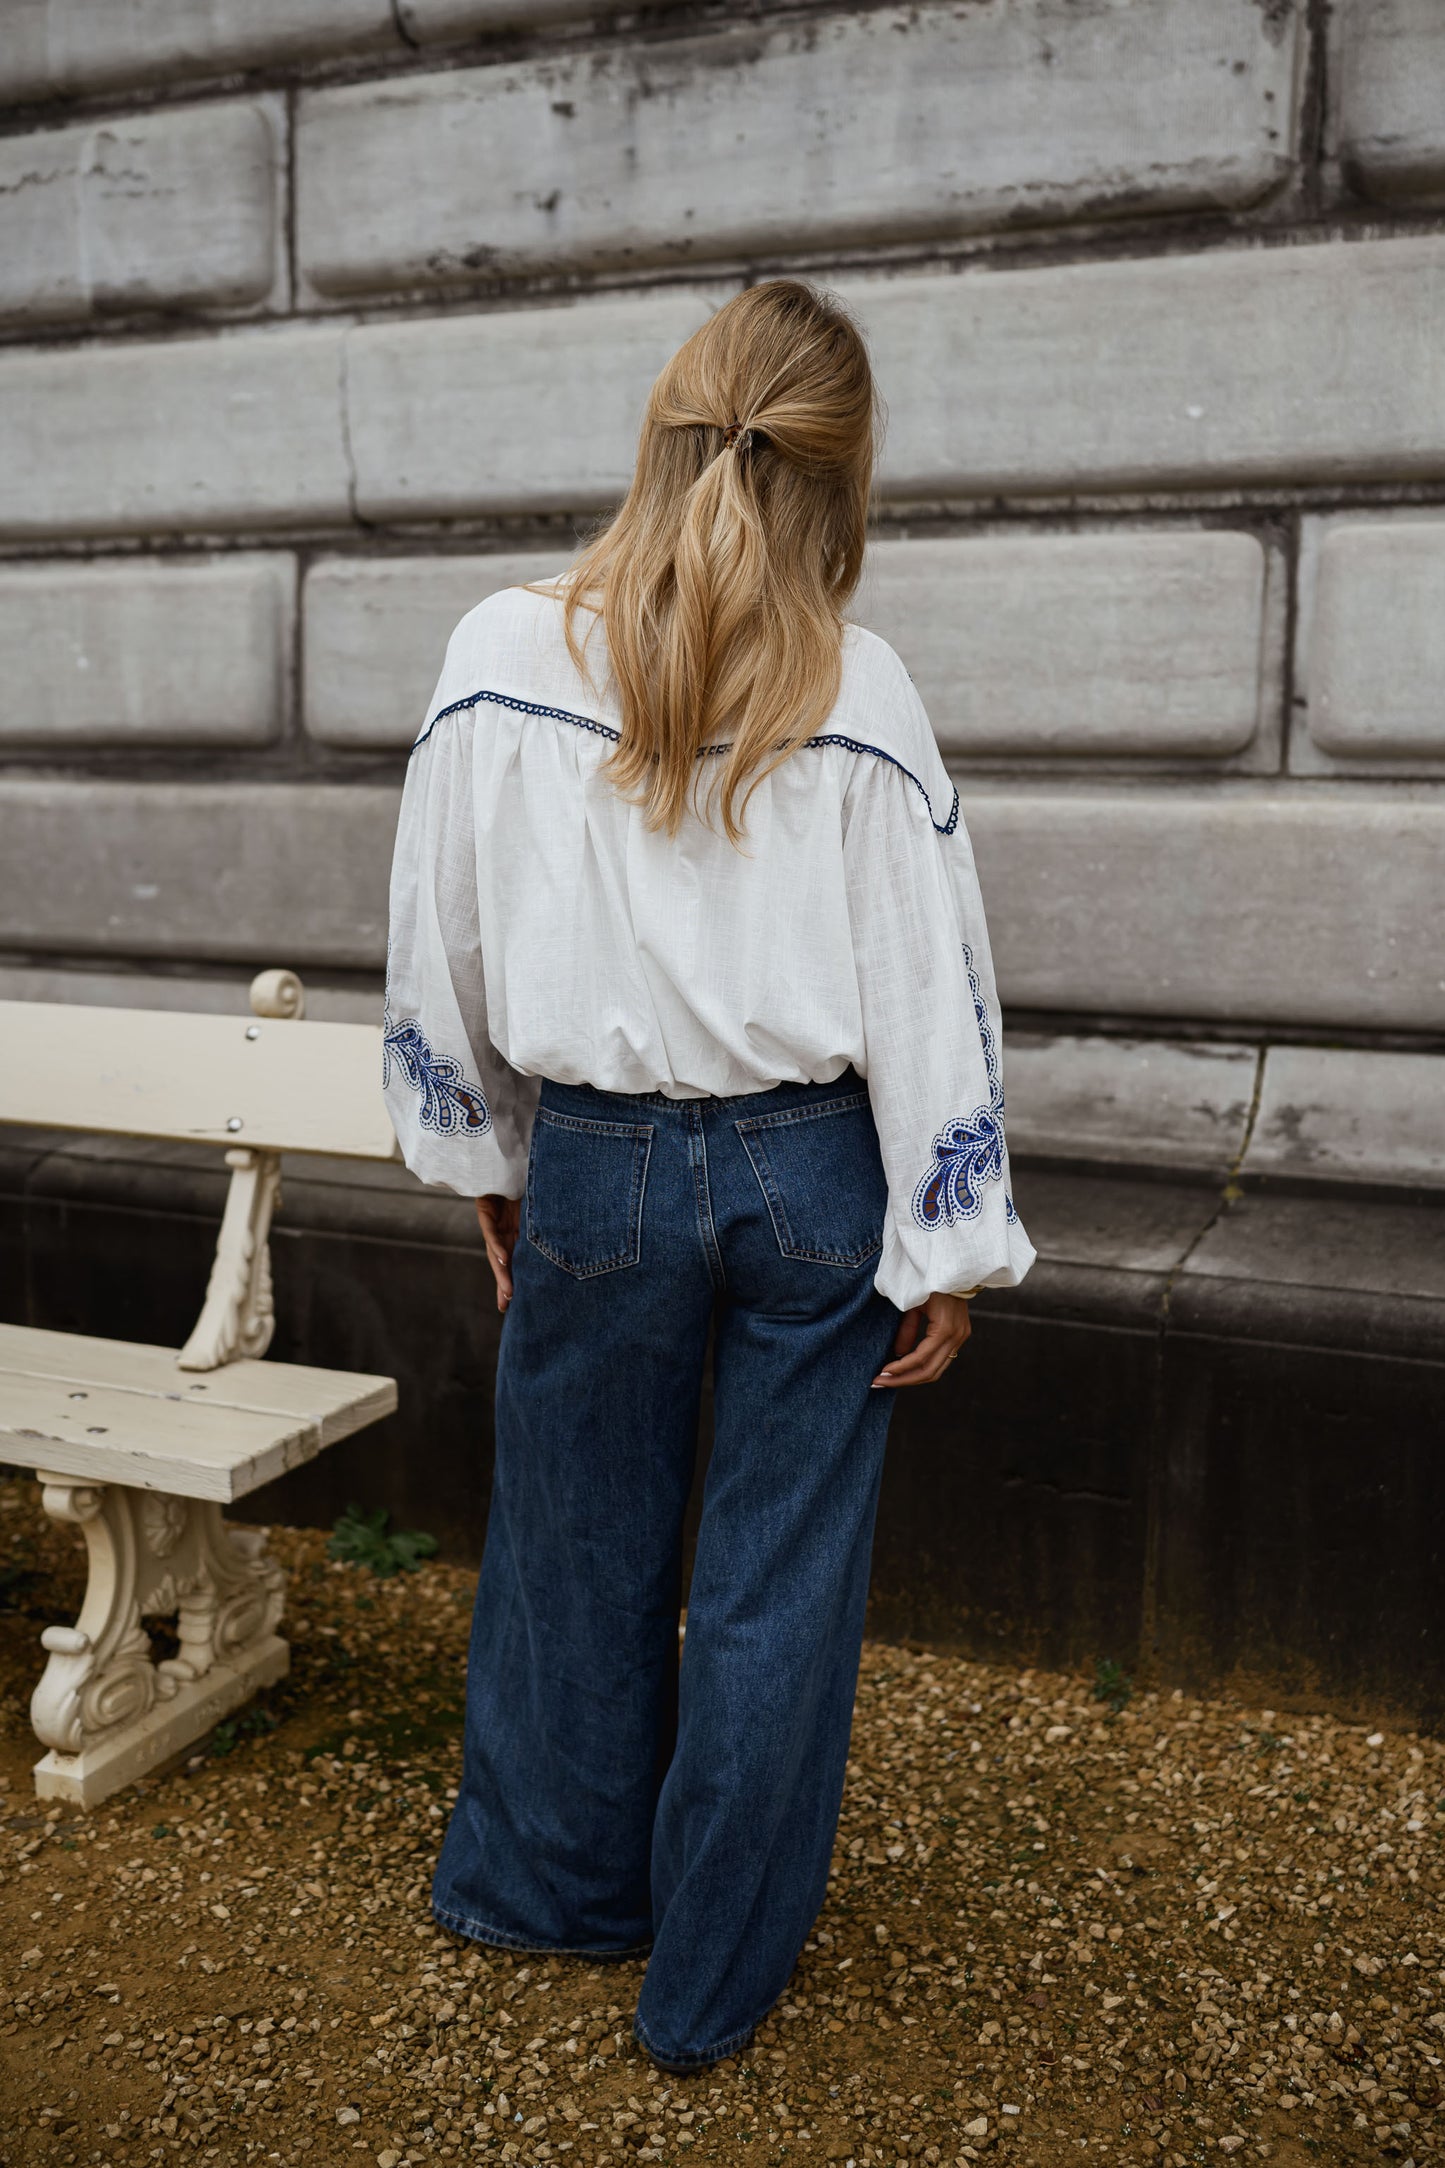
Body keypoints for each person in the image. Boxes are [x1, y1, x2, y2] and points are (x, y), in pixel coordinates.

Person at [381, 278, 1034, 2074]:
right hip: (810, 1173)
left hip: (594, 1163)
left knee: (568, 1544)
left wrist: (492, 1160)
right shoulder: (859, 684)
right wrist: (944, 1238)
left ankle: (557, 1892)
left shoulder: (494, 655)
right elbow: (929, 988)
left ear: (660, 427)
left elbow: (437, 947)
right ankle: (710, 1989)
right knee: (774, 1579)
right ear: (845, 474)